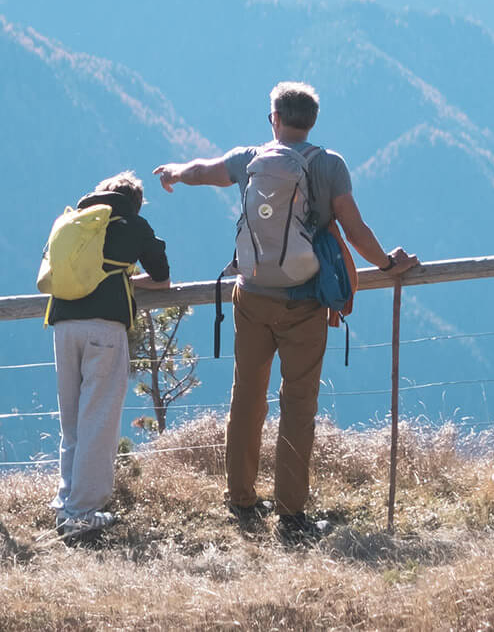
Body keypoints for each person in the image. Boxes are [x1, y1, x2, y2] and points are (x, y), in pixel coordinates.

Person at [153, 81, 416, 542]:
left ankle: (242, 500)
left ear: (273, 118)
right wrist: (388, 264)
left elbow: (201, 170)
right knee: (298, 405)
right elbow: (353, 228)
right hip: (304, 302)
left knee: (247, 398)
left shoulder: (248, 159)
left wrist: (174, 171)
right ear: (311, 121)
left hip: (251, 296)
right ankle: (292, 513)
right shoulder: (329, 164)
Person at [43, 172, 171, 539]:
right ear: (136, 201)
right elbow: (162, 276)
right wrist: (128, 281)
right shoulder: (133, 224)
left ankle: (67, 503)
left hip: (63, 325)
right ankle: (83, 513)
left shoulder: (72, 221)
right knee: (98, 419)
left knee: (72, 421)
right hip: (105, 329)